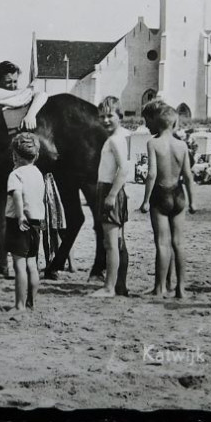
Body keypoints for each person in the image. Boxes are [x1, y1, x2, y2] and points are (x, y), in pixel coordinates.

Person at [0, 60, 47, 277]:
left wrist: (31, 113)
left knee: (3, 218)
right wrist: (25, 94)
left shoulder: (20, 100)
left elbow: (42, 95)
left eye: (15, 81)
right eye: (8, 81)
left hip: (5, 167)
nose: (13, 85)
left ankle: (2, 264)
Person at [138, 100, 195, 299]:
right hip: (179, 194)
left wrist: (145, 200)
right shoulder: (182, 145)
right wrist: (193, 201)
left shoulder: (153, 143)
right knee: (178, 243)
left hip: (161, 194)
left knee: (162, 243)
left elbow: (152, 174)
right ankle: (181, 288)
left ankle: (160, 287)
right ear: (173, 123)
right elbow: (188, 176)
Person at [91, 96, 131, 298]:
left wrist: (112, 195)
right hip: (109, 190)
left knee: (110, 243)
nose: (105, 120)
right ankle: (120, 285)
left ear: (120, 116)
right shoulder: (119, 137)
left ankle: (109, 287)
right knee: (118, 242)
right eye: (102, 117)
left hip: (110, 190)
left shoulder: (115, 140)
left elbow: (124, 169)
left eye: (110, 116)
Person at [4, 131, 46, 316]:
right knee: (32, 264)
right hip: (37, 222)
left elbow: (17, 196)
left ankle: (19, 305)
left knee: (19, 265)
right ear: (36, 155)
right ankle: (31, 303)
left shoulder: (15, 174)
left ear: (14, 155)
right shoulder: (38, 173)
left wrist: (20, 215)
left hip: (18, 222)